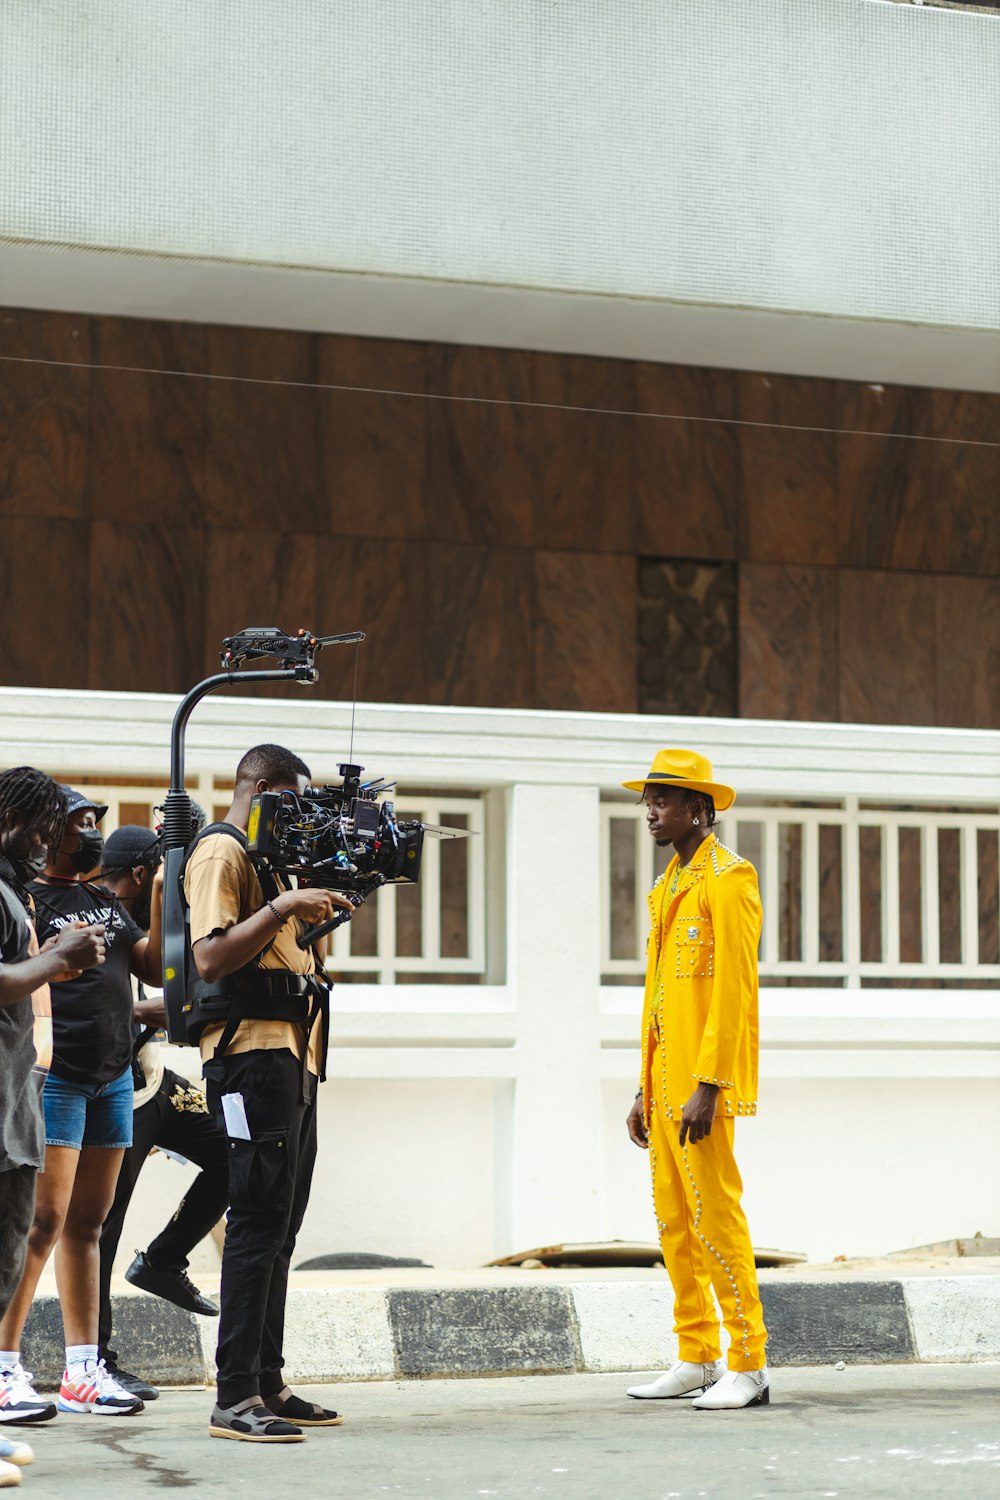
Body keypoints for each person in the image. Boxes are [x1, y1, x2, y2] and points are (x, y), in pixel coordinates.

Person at [184, 744, 353, 1443]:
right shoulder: (223, 851)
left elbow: (301, 958)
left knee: (282, 1226)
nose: (299, 815)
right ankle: (233, 1397)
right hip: (249, 1055)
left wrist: (319, 902)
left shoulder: (272, 862)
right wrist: (284, 903)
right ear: (257, 788)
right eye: (291, 801)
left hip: (295, 1055)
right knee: (255, 1221)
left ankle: (267, 1381)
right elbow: (210, 956)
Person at [0, 786, 163, 1420]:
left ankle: (82, 1372)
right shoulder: (27, 896)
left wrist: (162, 879)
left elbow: (152, 964)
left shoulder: (103, 900)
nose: (90, 832)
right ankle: (8, 1369)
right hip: (57, 1075)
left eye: (96, 821)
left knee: (88, 1226)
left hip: (112, 1077)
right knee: (38, 1226)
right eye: (78, 822)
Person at [622, 749, 769, 1411]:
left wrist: (710, 1083)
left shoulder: (730, 879)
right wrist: (641, 1089)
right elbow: (658, 997)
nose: (652, 810)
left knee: (716, 1219)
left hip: (701, 1087)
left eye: (666, 799)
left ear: (700, 809)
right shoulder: (665, 887)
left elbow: (735, 991)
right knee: (675, 1225)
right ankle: (697, 1353)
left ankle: (749, 1363)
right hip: (663, 1084)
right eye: (648, 798)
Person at [96, 825, 229, 1402]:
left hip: (150, 1078)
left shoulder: (143, 919)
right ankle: (96, 1360)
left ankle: (163, 1260)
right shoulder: (93, 911)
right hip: (103, 1093)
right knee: (99, 1230)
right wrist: (155, 1009)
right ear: (141, 873)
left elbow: (163, 978)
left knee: (232, 1150)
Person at [0, 768, 104, 1457]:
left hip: (15, 1101)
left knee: (6, 1258)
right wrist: (58, 958)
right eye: (38, 829)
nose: (49, 844)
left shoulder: (11, 890)